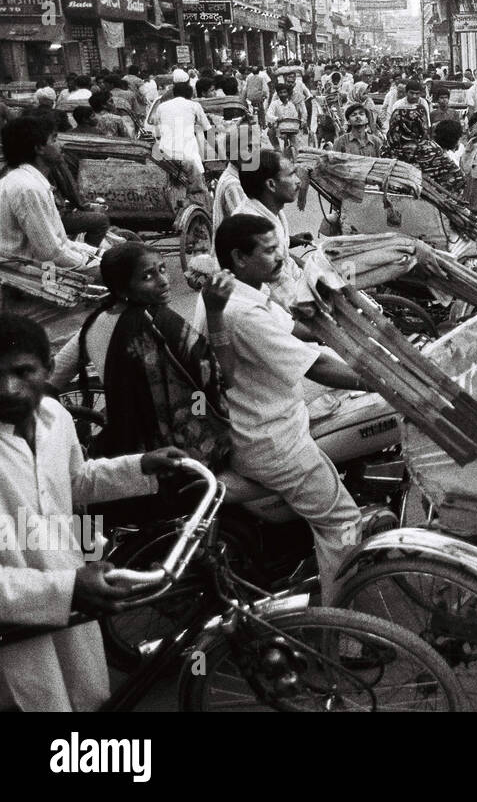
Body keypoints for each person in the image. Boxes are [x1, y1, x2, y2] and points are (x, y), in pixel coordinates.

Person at [0, 313, 191, 711]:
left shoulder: (56, 417)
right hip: (14, 617)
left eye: (23, 372)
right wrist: (66, 588)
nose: (8, 388)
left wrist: (140, 466)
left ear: (49, 368)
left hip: (72, 590)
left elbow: (76, 480)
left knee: (89, 696)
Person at [203, 215, 367, 604]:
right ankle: (344, 633)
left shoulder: (241, 294)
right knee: (342, 522)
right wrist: (380, 379)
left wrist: (344, 324)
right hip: (272, 440)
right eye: (269, 249)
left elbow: (297, 330)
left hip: (266, 422)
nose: (280, 256)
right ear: (240, 258)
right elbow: (319, 368)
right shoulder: (242, 313)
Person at [48, 243, 235, 471]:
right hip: (185, 449)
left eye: (163, 269)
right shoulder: (162, 323)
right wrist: (215, 312)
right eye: (148, 276)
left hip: (129, 448)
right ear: (122, 289)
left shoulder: (91, 326)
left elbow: (52, 378)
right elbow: (222, 379)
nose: (163, 281)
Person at [0, 117, 102, 271]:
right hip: (34, 272)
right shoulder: (29, 188)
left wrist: (96, 253)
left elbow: (60, 243)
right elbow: (51, 253)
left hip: (36, 265)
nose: (60, 145)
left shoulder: (25, 179)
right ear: (39, 148)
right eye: (54, 139)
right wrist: (92, 264)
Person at [234, 149, 308, 310]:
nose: (298, 181)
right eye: (291, 175)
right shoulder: (256, 228)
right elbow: (280, 291)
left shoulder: (273, 211)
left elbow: (287, 265)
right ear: (271, 184)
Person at [152, 79, 211, 191]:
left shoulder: (161, 107)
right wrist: (221, 152)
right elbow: (208, 130)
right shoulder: (194, 106)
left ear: (174, 94)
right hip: (189, 157)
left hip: (167, 159)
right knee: (200, 192)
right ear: (190, 95)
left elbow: (156, 133)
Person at [386, 81, 432, 147]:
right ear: (406, 92)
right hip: (401, 138)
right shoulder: (398, 104)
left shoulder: (423, 103)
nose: (414, 96)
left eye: (417, 93)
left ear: (420, 94)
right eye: (411, 93)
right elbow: (392, 125)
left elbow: (427, 124)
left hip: (418, 138)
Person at [266, 83, 305, 154]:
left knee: (296, 143)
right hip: (278, 127)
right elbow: (268, 114)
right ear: (278, 94)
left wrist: (299, 121)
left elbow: (295, 115)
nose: (283, 94)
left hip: (290, 127)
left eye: (284, 92)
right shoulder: (274, 104)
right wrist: (277, 118)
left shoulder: (291, 105)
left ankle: (294, 153)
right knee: (270, 132)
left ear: (288, 93)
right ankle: (277, 148)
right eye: (280, 93)